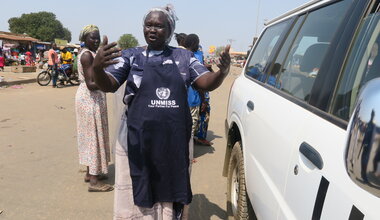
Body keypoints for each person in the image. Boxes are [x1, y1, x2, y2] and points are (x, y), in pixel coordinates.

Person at [92, 5, 230, 219]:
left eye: (159, 26)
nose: (152, 30)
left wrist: (222, 72)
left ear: (170, 30)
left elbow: (205, 82)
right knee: (137, 187)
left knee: (171, 188)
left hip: (173, 140)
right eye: (148, 25)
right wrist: (98, 69)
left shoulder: (184, 57)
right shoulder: (131, 56)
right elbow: (109, 84)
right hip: (137, 138)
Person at [75, 24, 113, 192]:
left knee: (92, 136)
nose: (96, 40)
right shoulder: (87, 57)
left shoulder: (91, 54)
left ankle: (92, 172)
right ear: (84, 39)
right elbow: (91, 84)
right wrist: (109, 82)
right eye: (92, 37)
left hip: (91, 99)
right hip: (89, 99)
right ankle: (94, 182)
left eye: (97, 37)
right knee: (93, 137)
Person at [184, 34, 213, 146]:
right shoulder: (196, 56)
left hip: (188, 96)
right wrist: (204, 99)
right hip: (195, 96)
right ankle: (188, 151)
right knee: (192, 123)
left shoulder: (179, 55)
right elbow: (199, 80)